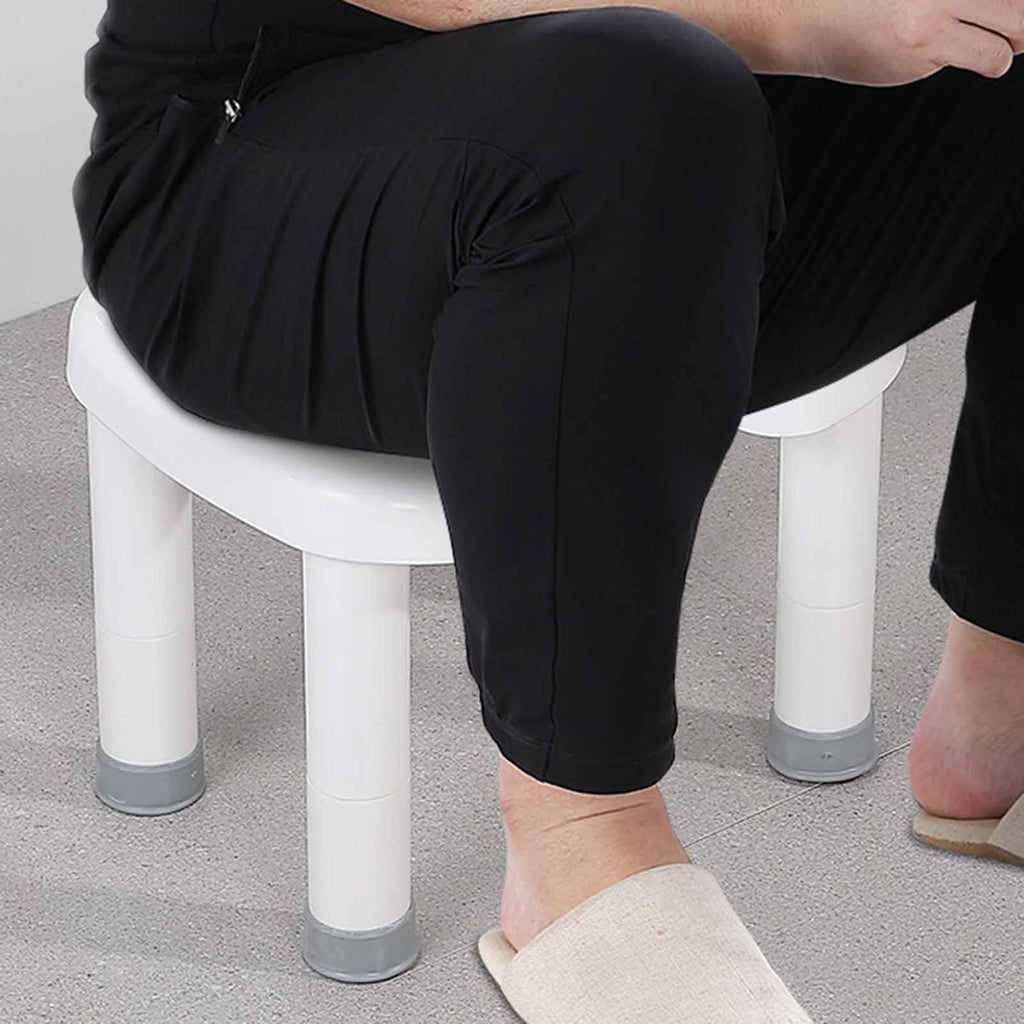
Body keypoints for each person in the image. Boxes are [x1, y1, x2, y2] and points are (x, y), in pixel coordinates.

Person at [72, 0, 1024, 1019]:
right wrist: (798, 21)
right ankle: (581, 835)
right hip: (250, 171)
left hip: (673, 201)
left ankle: (999, 701)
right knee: (632, 95)